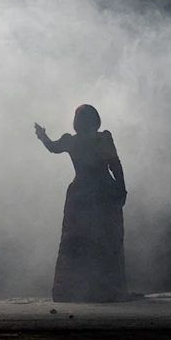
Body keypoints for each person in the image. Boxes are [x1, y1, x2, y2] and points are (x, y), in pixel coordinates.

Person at [35, 104, 129, 303]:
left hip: (86, 193)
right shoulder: (99, 138)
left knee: (86, 241)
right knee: (95, 240)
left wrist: (43, 136)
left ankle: (80, 289)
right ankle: (100, 290)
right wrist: (121, 188)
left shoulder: (79, 140)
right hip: (98, 191)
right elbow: (115, 164)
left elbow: (53, 147)